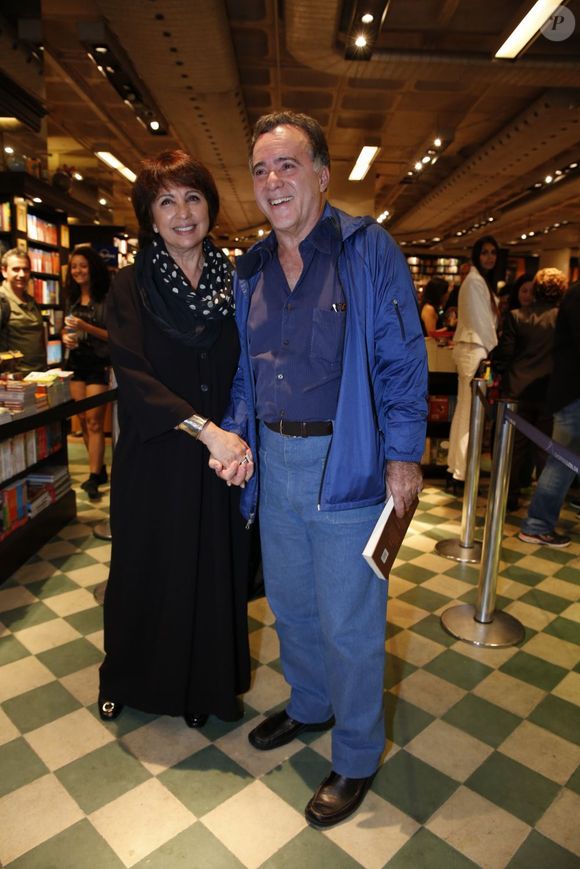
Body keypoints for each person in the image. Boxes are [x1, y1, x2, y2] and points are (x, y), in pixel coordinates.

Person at [212, 112, 427, 827]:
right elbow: (247, 370)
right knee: (293, 604)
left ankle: (359, 753)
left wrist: (404, 455)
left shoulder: (368, 250)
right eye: (261, 169)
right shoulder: (252, 268)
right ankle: (309, 705)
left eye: (288, 165)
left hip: (350, 461)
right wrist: (239, 437)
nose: (273, 182)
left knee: (351, 621)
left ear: (323, 176)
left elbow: (401, 355)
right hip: (275, 460)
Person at [99, 150, 252, 727]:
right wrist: (207, 431)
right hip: (158, 457)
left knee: (212, 572)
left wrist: (234, 437)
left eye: (192, 197)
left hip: (219, 463)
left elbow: (250, 370)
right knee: (145, 567)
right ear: (151, 216)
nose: (182, 212)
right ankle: (126, 677)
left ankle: (203, 688)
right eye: (166, 201)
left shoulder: (238, 284)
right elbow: (135, 377)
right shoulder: (129, 287)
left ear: (210, 206)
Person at [494, 267, 567, 510]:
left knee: (514, 449)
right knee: (546, 452)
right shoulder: (564, 320)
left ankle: (509, 498)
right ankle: (542, 506)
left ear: (536, 289)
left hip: (517, 389)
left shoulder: (517, 316)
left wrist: (501, 372)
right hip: (550, 391)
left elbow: (505, 354)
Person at [519, 280, 580, 548]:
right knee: (562, 461)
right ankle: (537, 525)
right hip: (572, 394)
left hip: (569, 392)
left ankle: (538, 523)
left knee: (563, 460)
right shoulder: (577, 295)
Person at [446, 235, 499, 483]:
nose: (489, 257)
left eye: (493, 253)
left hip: (473, 349)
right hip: (475, 349)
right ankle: (463, 468)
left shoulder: (479, 282)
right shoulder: (475, 282)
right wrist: (495, 351)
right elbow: (483, 324)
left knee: (465, 412)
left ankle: (460, 466)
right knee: (469, 413)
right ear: (477, 254)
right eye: (485, 252)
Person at [62, 246, 112, 500]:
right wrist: (66, 338)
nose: (78, 271)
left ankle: (93, 476)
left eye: (83, 265)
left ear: (92, 267)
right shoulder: (70, 297)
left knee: (94, 421)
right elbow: (66, 330)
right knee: (81, 420)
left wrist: (85, 327)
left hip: (98, 363)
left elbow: (113, 336)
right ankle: (99, 469)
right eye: (74, 267)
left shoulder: (105, 297)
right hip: (75, 363)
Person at [0, 249, 46, 373]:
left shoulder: (31, 301)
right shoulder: (2, 300)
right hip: (13, 381)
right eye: (15, 269)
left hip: (38, 375)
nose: (21, 274)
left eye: (25, 269)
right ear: (4, 271)